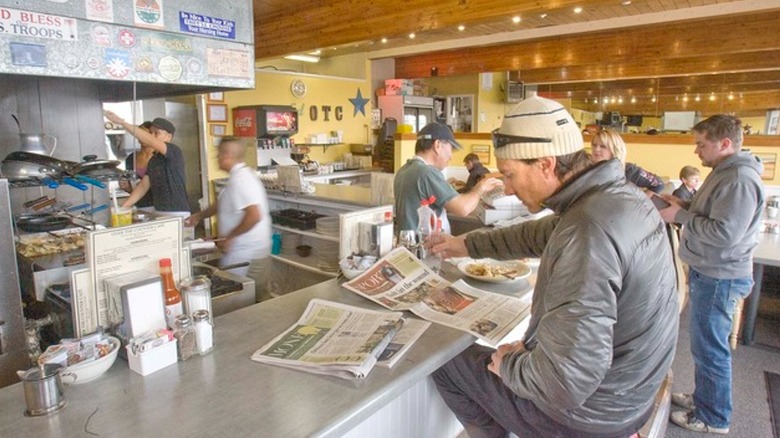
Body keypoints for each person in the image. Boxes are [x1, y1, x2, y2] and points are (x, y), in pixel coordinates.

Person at [429, 96, 679, 438]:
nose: (510, 189)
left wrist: (513, 366)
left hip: (590, 416)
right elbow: (538, 235)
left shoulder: (587, 229)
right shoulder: (615, 196)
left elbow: (564, 383)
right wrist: (466, 244)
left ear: (546, 164)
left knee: (442, 360)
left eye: (510, 175)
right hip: (630, 394)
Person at [658, 115, 764, 435]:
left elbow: (725, 233)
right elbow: (714, 213)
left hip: (721, 275)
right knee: (703, 345)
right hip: (712, 271)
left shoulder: (739, 179)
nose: (696, 152)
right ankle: (705, 399)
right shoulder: (725, 173)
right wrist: (683, 203)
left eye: (701, 145)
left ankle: (714, 416)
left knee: (711, 349)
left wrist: (681, 215)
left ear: (725, 144)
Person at [184, 137, 273, 301]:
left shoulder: (241, 180)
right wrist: (199, 216)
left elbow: (254, 215)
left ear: (227, 155)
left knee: (249, 303)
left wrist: (230, 237)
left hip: (248, 256)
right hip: (242, 253)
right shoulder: (237, 177)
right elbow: (222, 204)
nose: (216, 158)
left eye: (218, 154)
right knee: (247, 301)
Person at [393, 122, 501, 233]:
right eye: (451, 148)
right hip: (426, 246)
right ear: (437, 145)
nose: (451, 156)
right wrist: (481, 187)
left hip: (410, 243)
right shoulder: (427, 173)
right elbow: (463, 208)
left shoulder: (404, 170)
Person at [103, 111, 190, 216]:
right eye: (151, 133)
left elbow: (151, 141)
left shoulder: (174, 151)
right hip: (159, 210)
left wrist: (122, 122)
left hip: (177, 211)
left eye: (156, 133)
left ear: (169, 137)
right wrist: (123, 207)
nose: (152, 136)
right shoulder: (154, 159)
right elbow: (144, 185)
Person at [591, 128, 666, 193]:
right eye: (594, 145)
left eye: (603, 146)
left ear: (614, 149)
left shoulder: (629, 170)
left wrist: (640, 203)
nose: (596, 149)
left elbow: (658, 184)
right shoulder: (587, 169)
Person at [120, 121, 155, 209]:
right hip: (140, 205)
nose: (142, 137)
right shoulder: (131, 158)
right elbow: (131, 187)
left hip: (158, 205)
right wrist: (126, 187)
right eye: (140, 134)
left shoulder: (158, 158)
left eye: (145, 134)